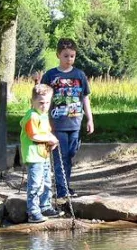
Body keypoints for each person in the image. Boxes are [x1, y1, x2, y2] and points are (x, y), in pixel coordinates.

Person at [40, 38, 94, 201]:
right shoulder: (50, 75)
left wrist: (90, 119)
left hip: (75, 123)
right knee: (60, 157)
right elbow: (42, 97)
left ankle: (65, 184)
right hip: (57, 124)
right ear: (58, 55)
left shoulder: (79, 75)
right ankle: (62, 189)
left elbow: (85, 98)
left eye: (72, 56)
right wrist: (42, 120)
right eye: (65, 56)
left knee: (70, 154)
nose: (69, 59)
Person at [19, 84, 62, 223]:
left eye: (48, 102)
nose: (45, 106)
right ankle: (33, 211)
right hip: (34, 155)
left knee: (47, 182)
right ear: (32, 102)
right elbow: (34, 136)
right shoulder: (32, 116)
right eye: (41, 103)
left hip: (43, 155)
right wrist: (49, 139)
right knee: (36, 184)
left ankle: (45, 206)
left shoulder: (43, 115)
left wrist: (52, 140)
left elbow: (46, 132)